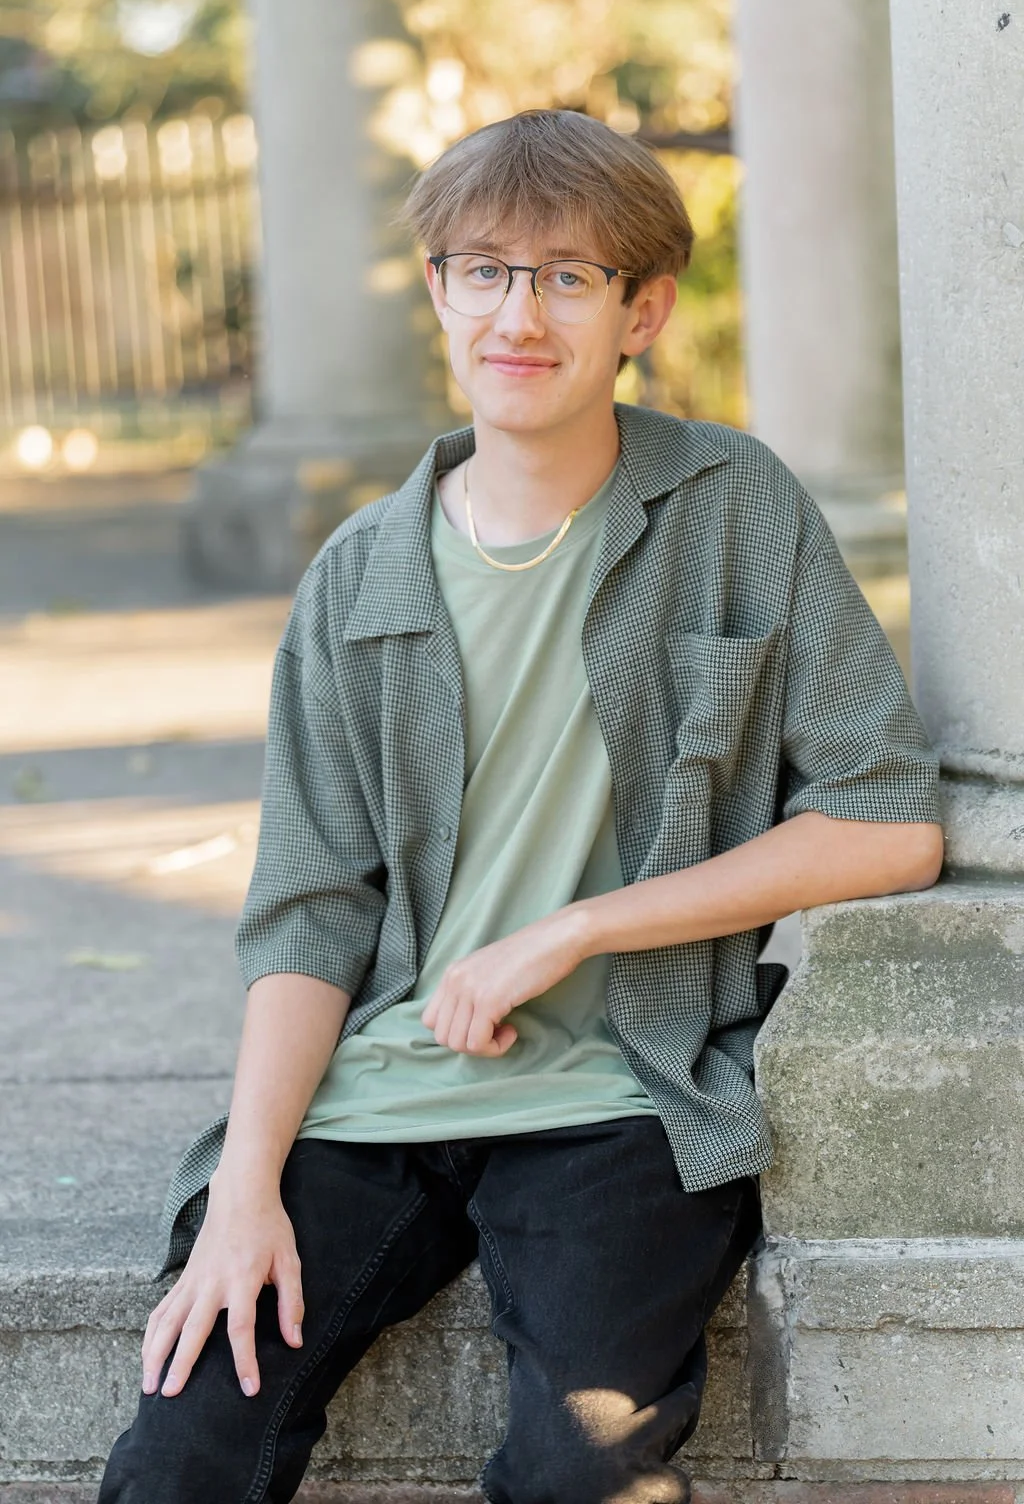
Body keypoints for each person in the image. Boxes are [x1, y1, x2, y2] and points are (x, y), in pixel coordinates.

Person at [100, 108, 943, 1504]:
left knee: (581, 1472)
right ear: (439, 292)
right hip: (374, 1099)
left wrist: (575, 929)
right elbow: (308, 918)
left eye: (567, 276)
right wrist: (244, 1192)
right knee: (185, 1452)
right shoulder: (357, 577)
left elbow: (891, 820)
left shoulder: (737, 510)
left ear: (642, 310)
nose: (519, 311)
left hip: (627, 1093)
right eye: (483, 269)